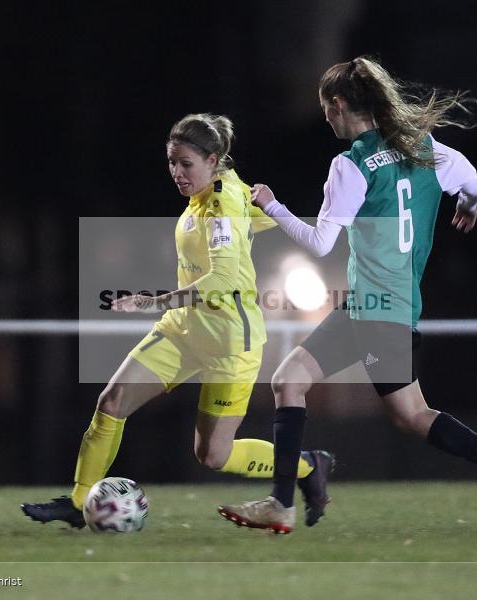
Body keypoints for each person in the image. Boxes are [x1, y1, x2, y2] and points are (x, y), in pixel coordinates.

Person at [218, 57, 477, 534]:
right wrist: (468, 205)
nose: (326, 120)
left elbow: (320, 242)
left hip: (375, 310)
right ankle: (281, 503)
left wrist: (272, 205)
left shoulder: (351, 165)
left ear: (338, 105)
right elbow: (473, 184)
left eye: (326, 110)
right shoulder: (430, 150)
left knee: (410, 415)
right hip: (386, 306)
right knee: (294, 381)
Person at [21, 113, 334, 529]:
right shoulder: (220, 195)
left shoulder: (222, 201)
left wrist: (156, 301)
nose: (177, 172)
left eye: (186, 163)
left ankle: (308, 466)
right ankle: (80, 504)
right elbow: (255, 221)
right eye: (171, 162)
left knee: (213, 456)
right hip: (183, 331)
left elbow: (223, 276)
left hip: (229, 343)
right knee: (112, 403)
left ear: (213, 159)